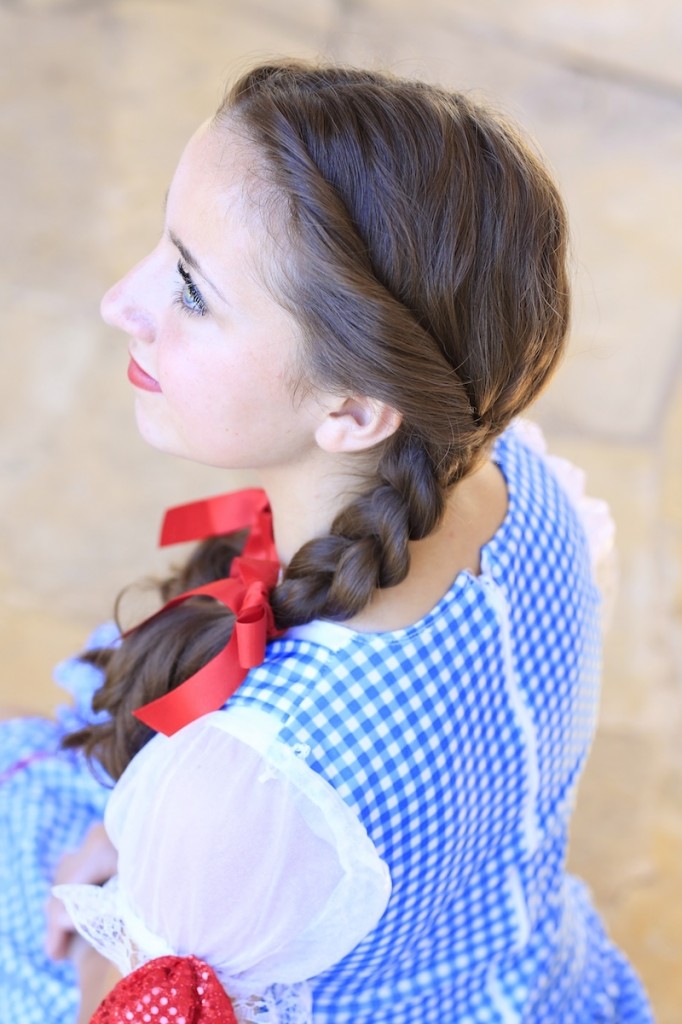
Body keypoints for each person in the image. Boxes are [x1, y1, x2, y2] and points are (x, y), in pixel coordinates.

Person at [1, 60, 653, 1023]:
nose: (118, 301)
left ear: (353, 408)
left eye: (190, 290)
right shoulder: (524, 483)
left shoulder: (256, 783)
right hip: (523, 976)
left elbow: (130, 1002)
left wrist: (154, 882)